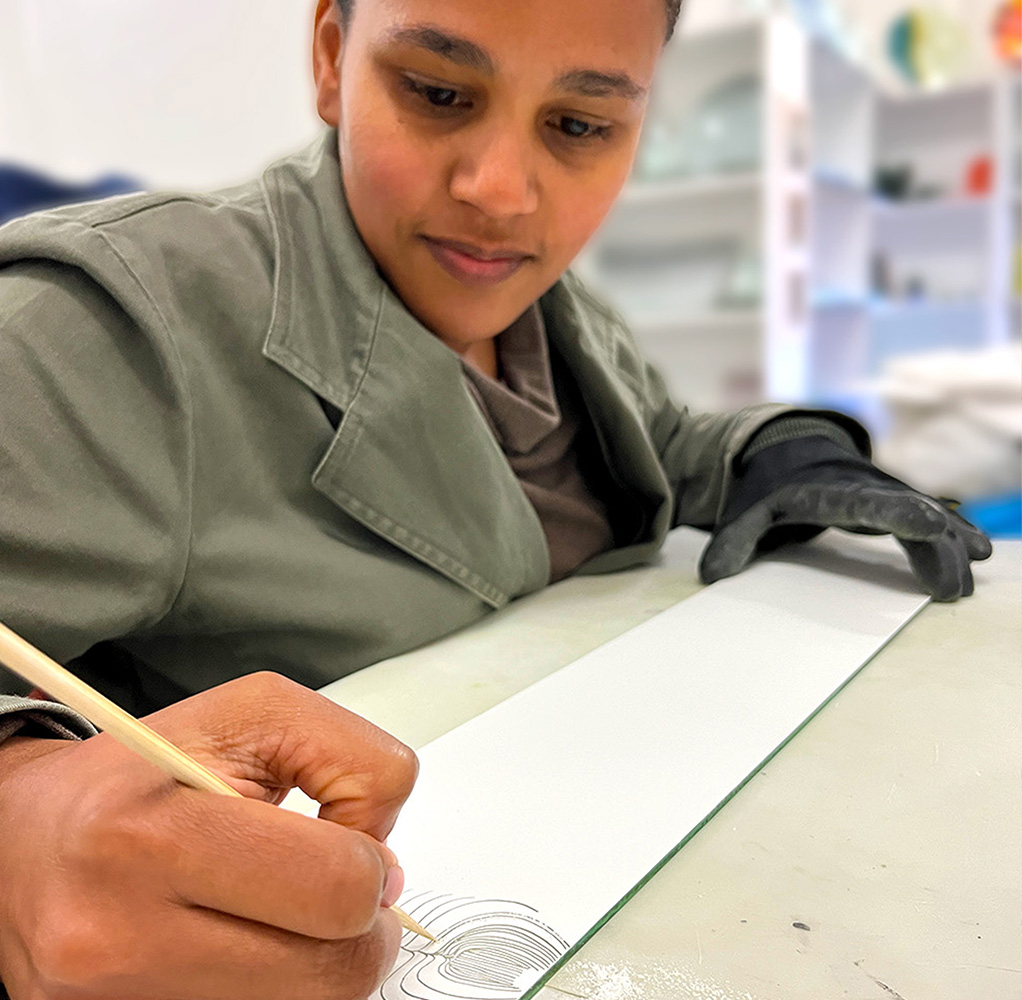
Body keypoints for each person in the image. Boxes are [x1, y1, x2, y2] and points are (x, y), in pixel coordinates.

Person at [0, 0, 992, 996]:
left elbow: (655, 444)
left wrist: (789, 453)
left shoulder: (541, 307)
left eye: (577, 125)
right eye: (437, 93)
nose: (500, 191)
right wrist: (18, 826)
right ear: (333, 57)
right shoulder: (105, 328)